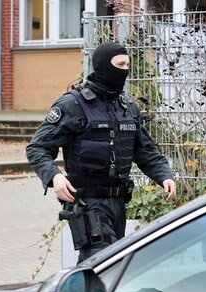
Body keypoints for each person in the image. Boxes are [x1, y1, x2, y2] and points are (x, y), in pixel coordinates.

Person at [26, 42, 176, 263]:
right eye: (120, 64)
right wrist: (54, 177)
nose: (125, 70)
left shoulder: (128, 107)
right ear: (103, 66)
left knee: (112, 265)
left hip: (117, 203)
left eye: (127, 64)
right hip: (88, 203)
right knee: (99, 264)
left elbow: (145, 152)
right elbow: (38, 147)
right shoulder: (73, 105)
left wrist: (165, 175)